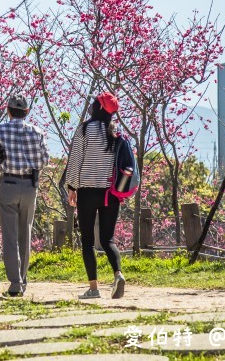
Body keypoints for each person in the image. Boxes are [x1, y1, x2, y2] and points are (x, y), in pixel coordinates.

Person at [64, 91, 131, 299]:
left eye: (94, 103)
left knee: (88, 241)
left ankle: (93, 288)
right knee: (108, 238)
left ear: (99, 108)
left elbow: (75, 159)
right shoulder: (115, 133)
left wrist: (71, 187)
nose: (91, 105)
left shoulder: (85, 129)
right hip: (110, 193)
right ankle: (118, 274)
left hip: (87, 191)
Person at [0, 93, 50, 297]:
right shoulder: (37, 132)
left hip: (9, 184)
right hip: (30, 185)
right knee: (25, 233)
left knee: (10, 237)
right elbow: (44, 160)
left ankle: (15, 283)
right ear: (27, 112)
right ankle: (24, 282)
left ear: (8, 110)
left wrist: (3, 161)